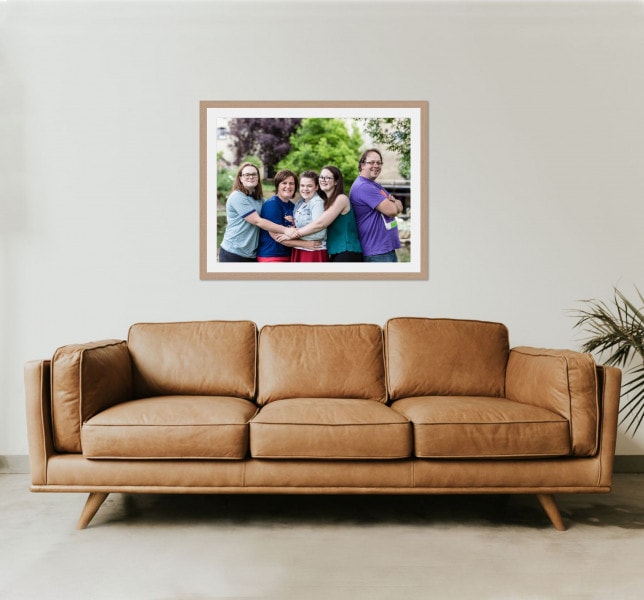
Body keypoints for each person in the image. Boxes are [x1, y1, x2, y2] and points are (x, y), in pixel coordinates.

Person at [218, 163, 297, 262]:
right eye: (247, 174)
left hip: (252, 254)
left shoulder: (259, 199)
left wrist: (289, 220)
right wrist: (286, 230)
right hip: (233, 252)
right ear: (240, 178)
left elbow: (270, 214)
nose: (251, 177)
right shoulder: (237, 196)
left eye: (254, 174)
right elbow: (257, 221)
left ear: (258, 178)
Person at [281, 166, 363, 262]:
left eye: (328, 178)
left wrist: (292, 235)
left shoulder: (341, 199)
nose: (323, 180)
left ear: (336, 182)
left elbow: (320, 224)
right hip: (335, 251)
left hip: (347, 250)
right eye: (322, 177)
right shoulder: (327, 201)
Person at [349, 148, 404, 262]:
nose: (376, 165)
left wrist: (395, 204)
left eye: (379, 163)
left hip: (384, 250)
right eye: (372, 162)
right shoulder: (364, 187)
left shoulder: (374, 185)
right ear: (362, 165)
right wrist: (394, 204)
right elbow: (392, 210)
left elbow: (398, 204)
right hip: (377, 252)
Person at [257, 170, 321, 262]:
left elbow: (298, 230)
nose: (288, 186)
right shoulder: (272, 204)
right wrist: (305, 244)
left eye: (291, 183)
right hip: (272, 256)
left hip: (290, 254)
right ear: (277, 185)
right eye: (284, 183)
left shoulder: (293, 206)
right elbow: (277, 236)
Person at [290, 171, 328, 262]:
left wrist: (293, 235)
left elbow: (320, 233)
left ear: (317, 187)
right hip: (300, 248)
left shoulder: (317, 202)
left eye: (309, 186)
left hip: (313, 251)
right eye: (302, 185)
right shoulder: (300, 202)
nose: (305, 189)